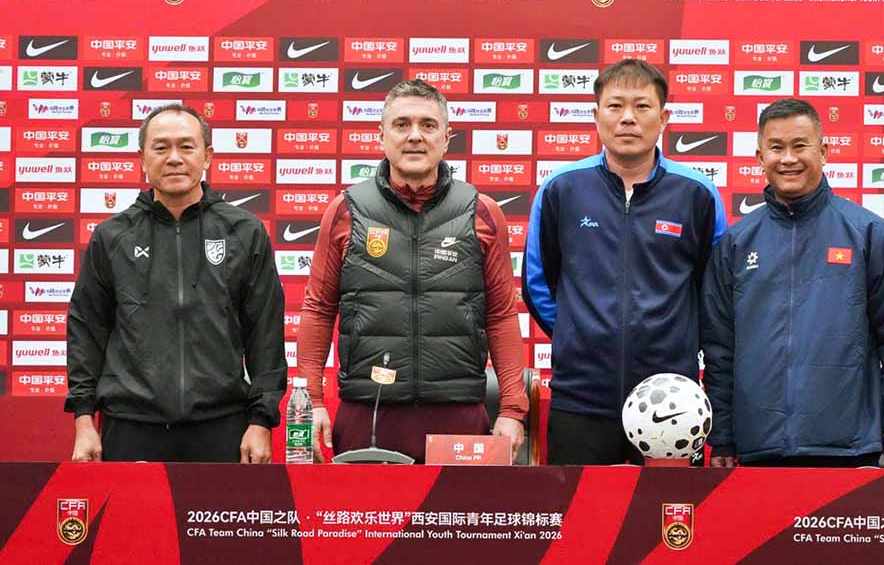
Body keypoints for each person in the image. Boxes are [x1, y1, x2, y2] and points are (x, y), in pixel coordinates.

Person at [296, 79, 527, 463]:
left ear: (447, 137)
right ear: (381, 135)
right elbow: (318, 310)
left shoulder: (482, 212)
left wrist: (512, 410)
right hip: (368, 412)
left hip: (458, 415)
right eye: (402, 125)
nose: (415, 136)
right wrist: (313, 402)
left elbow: (502, 315)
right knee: (363, 523)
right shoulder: (346, 211)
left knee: (455, 524)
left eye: (428, 125)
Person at [701, 98, 884, 468]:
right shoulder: (736, 245)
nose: (788, 158)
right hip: (756, 453)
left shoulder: (869, 235)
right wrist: (722, 440)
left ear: (823, 151)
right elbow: (719, 350)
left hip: (851, 452)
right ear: (759, 157)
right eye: (776, 148)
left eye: (799, 145)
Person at [523, 59, 727, 465]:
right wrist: (577, 333)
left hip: (672, 404)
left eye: (642, 106)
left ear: (665, 117)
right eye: (615, 106)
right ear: (596, 115)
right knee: (580, 522)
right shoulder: (561, 188)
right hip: (581, 398)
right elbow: (538, 282)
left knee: (666, 522)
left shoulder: (697, 194)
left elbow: (715, 292)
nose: (628, 118)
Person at [65, 104, 287, 463]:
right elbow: (86, 332)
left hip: (222, 426)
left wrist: (262, 421)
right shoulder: (112, 237)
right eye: (161, 147)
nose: (174, 158)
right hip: (131, 427)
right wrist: (83, 419)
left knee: (220, 522)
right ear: (141, 158)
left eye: (186, 146)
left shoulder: (244, 232)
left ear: (207, 156)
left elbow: (266, 333)